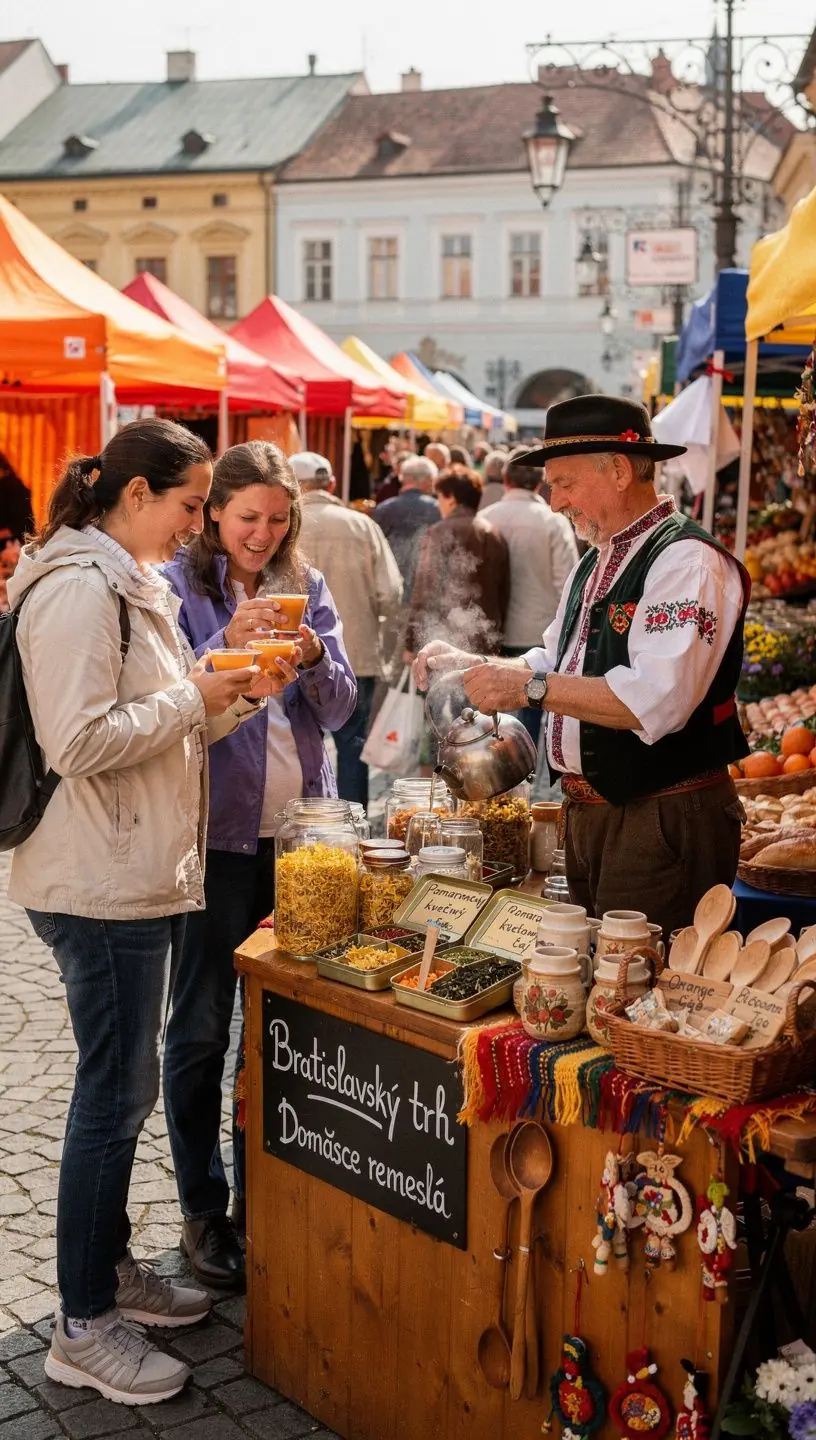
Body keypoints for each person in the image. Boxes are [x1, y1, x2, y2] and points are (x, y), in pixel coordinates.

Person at [9, 419, 275, 1405]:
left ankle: (110, 1271)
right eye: (192, 503)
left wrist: (235, 694)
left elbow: (164, 721)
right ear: (135, 497)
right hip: (97, 880)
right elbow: (79, 740)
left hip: (130, 867)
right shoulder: (79, 589)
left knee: (122, 1091)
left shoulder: (124, 581)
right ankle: (82, 1323)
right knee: (112, 1096)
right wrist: (195, 693)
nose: (198, 522)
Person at [414, 395, 750, 937]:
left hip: (659, 818)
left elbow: (655, 700)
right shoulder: (597, 558)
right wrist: (474, 664)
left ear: (619, 470)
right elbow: (556, 658)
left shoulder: (686, 560)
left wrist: (530, 688)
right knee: (597, 977)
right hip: (592, 815)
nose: (552, 501)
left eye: (564, 483)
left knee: (639, 984)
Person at [162, 441, 356, 1287]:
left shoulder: (305, 587)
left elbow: (343, 706)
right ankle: (205, 1211)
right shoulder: (177, 589)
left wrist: (314, 656)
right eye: (248, 517)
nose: (263, 534)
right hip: (214, 839)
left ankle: (264, 1198)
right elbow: (164, 704)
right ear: (214, 514)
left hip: (300, 838)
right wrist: (224, 649)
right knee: (202, 1030)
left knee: (282, 1031)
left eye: (278, 520)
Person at [293, 450, 402, 807]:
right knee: (352, 743)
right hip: (356, 652)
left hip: (293, 653)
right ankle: (352, 821)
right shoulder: (361, 524)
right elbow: (391, 592)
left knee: (295, 741)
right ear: (332, 484)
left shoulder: (283, 523)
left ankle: (307, 822)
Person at [481, 449, 578, 744]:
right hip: (539, 626)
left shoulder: (486, 516)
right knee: (532, 704)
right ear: (540, 483)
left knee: (490, 707)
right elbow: (569, 582)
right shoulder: (552, 521)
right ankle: (527, 765)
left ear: (506, 480)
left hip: (493, 628)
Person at [405, 464, 509, 659]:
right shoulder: (493, 533)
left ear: (451, 498)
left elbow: (425, 590)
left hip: (445, 640)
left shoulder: (439, 532)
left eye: (439, 497)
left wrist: (412, 642)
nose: (438, 504)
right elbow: (503, 590)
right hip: (487, 639)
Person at [373, 454, 440, 601]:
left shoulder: (384, 508)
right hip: (426, 590)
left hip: (391, 587)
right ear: (427, 480)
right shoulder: (438, 509)